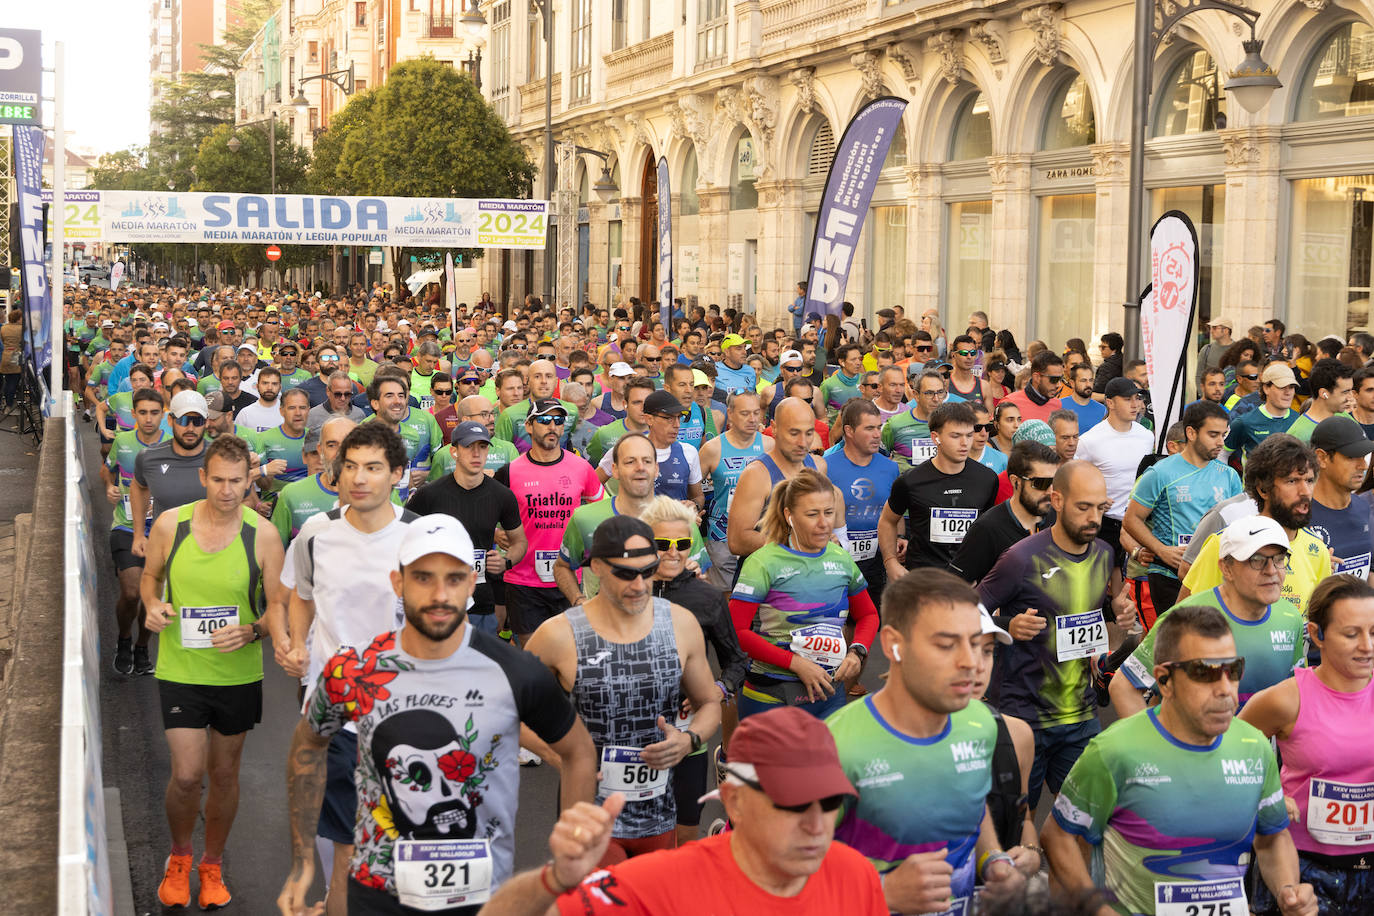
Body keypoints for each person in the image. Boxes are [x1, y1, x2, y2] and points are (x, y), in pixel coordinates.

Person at [278, 514, 598, 916]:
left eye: (453, 579)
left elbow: (579, 751)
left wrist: (569, 854)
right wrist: (303, 860)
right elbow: (308, 744)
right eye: (423, 578)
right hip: (376, 895)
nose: (439, 594)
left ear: (470, 583)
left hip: (482, 897)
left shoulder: (515, 670)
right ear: (398, 583)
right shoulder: (354, 670)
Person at [1042, 603, 1318, 916]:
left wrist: (1287, 889)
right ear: (1164, 680)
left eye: (1233, 670)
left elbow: (1272, 838)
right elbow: (1058, 836)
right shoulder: (1114, 751)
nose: (1225, 689)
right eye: (1205, 673)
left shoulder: (1254, 746)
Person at [475, 706, 887, 916]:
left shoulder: (855, 873)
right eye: (793, 804)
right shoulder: (656, 884)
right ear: (735, 801)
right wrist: (555, 879)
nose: (817, 826)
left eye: (830, 801)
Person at [829, 568, 1031, 916]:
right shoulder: (831, 747)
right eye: (946, 644)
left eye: (977, 644)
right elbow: (778, 879)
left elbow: (970, 799)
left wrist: (992, 858)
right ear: (894, 644)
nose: (970, 663)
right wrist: (882, 892)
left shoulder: (980, 723)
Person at [140, 434, 287, 909]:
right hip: (181, 666)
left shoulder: (262, 534)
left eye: (237, 481)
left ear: (250, 481)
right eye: (218, 480)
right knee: (186, 775)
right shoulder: (170, 524)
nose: (227, 490)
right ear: (203, 477)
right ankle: (180, 858)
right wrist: (151, 605)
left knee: (223, 774)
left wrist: (254, 631)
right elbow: (150, 577)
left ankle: (213, 863)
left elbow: (281, 608)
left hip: (237, 673)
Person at [525, 515, 722, 863]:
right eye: (626, 574)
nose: (639, 585)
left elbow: (709, 703)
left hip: (658, 816)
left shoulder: (680, 623)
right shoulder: (558, 634)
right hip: (589, 815)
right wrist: (563, 757)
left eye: (648, 572)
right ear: (597, 567)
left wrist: (688, 740)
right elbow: (510, 710)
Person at [978, 461, 1138, 808]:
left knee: (1086, 819)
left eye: (1101, 507)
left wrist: (1117, 613)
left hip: (1081, 716)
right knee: (1018, 821)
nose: (1094, 517)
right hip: (1025, 716)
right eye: (1084, 507)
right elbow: (968, 609)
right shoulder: (1021, 558)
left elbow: (1082, 619)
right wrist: (1009, 625)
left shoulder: (1104, 554)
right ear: (1058, 500)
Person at [1239, 574, 1374, 915]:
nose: (1367, 646)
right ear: (1317, 635)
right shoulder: (1285, 700)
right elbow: (1226, 759)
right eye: (1351, 634)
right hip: (1302, 871)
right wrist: (1264, 795)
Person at [1113, 514, 1307, 716]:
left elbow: (1293, 693)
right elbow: (1123, 686)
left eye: (1279, 559)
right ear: (1226, 568)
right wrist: (1156, 745)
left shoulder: (1290, 616)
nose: (1271, 570)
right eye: (1256, 560)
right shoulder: (1186, 619)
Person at [640, 495, 747, 846]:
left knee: (685, 832)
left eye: (682, 543)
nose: (673, 552)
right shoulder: (626, 592)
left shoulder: (708, 598)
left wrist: (715, 691)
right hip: (631, 735)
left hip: (689, 735)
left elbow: (737, 661)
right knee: (633, 834)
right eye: (662, 543)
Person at [730, 468, 879, 720]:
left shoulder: (841, 558)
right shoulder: (763, 562)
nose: (824, 523)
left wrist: (857, 651)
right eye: (812, 514)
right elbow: (736, 632)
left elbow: (868, 614)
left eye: (829, 513)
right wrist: (795, 663)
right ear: (789, 515)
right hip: (772, 693)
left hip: (828, 693)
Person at [1181, 434, 1331, 616]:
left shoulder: (1317, 550)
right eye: (1292, 481)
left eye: (1309, 480)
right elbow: (1179, 622)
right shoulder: (1225, 544)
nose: (1305, 492)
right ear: (1263, 489)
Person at [496, 399, 603, 645]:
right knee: (532, 652)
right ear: (529, 426)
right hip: (523, 578)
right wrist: (494, 533)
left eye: (558, 421)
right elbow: (485, 512)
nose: (552, 426)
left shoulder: (581, 468)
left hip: (569, 577)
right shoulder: (510, 471)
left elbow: (599, 511)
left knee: (568, 651)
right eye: (544, 420)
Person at [555, 433, 709, 602]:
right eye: (630, 461)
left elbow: (700, 576)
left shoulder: (681, 520)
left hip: (666, 623)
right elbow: (562, 567)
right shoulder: (585, 518)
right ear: (615, 470)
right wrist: (579, 601)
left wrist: (695, 576)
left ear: (656, 469)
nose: (640, 467)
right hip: (604, 625)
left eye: (647, 461)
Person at [407, 421, 528, 636]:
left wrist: (506, 561)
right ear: (454, 452)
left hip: (484, 599)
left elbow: (519, 542)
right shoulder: (429, 495)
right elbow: (403, 537)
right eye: (469, 446)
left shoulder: (502, 495)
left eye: (482, 447)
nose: (476, 453)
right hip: (439, 597)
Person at [1123, 400, 1241, 613]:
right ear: (1191, 433)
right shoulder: (1160, 473)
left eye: (1223, 435)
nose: (1221, 442)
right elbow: (1131, 519)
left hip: (1214, 573)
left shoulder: (1230, 475)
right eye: (1213, 435)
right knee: (1176, 642)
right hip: (1169, 574)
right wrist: (1161, 550)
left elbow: (1237, 524)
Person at [880, 401, 1000, 580]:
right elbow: (887, 521)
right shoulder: (910, 481)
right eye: (955, 436)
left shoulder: (987, 479)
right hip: (923, 580)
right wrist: (890, 562)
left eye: (968, 435)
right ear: (935, 437)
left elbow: (989, 531)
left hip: (968, 582)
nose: (964, 443)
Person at [103, 387, 170, 675]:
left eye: (154, 413)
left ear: (163, 414)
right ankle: (124, 638)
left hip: (162, 532)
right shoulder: (123, 441)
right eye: (142, 412)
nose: (148, 419)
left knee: (151, 598)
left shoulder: (172, 445)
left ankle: (142, 646)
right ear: (133, 414)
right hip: (126, 527)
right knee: (131, 592)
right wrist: (110, 486)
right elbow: (107, 468)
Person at [727, 398, 828, 562]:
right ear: (774, 428)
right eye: (794, 433)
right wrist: (795, 543)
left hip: (807, 577)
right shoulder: (756, 475)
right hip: (766, 580)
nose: (803, 443)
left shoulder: (818, 467)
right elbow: (737, 541)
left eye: (809, 433)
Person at [949, 441, 1060, 585]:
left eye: (1054, 481)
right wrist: (992, 608)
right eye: (1041, 483)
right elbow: (954, 586)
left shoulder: (1057, 518)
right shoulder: (986, 529)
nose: (1050, 491)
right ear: (1016, 482)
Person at [1074, 377, 1155, 570]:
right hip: (1104, 524)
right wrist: (1095, 497)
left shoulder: (1147, 436)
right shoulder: (1091, 440)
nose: (1136, 405)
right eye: (1128, 399)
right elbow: (1074, 478)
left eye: (1137, 398)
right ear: (1110, 403)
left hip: (1139, 523)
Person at [130, 390, 216, 561]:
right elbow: (139, 487)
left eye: (197, 421)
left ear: (206, 423)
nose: (190, 428)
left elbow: (246, 500)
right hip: (164, 553)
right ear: (170, 420)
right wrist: (139, 534)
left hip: (212, 554)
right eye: (183, 421)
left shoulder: (222, 456)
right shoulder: (148, 457)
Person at [698, 391, 770, 589]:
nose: (752, 419)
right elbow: (694, 489)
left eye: (756, 413)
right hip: (722, 536)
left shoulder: (770, 446)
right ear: (730, 414)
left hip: (760, 535)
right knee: (727, 600)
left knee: (758, 596)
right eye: (745, 413)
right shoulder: (712, 449)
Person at [596, 390, 704, 508]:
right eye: (669, 418)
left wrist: (695, 506)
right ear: (649, 419)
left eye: (679, 417)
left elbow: (698, 496)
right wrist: (611, 509)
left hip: (675, 525)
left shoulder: (689, 452)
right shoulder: (624, 449)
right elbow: (591, 486)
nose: (677, 424)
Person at [269, 416, 356, 544]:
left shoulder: (383, 492)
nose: (340, 453)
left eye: (349, 445)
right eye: (332, 445)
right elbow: (276, 554)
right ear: (321, 449)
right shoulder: (291, 495)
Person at [363, 370, 446, 502]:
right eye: (389, 396)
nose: (398, 401)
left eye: (401, 395)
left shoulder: (412, 435)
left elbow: (406, 471)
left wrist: (412, 492)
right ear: (375, 403)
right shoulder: (360, 436)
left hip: (405, 513)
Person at [1226, 361, 1300, 465]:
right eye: (1281, 387)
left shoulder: (1299, 420)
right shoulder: (1244, 422)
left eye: (1291, 387)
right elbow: (1222, 453)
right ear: (1266, 388)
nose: (1288, 392)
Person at [880, 369, 946, 472]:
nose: (936, 399)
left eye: (940, 392)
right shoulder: (894, 424)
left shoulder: (951, 424)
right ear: (916, 395)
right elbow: (879, 458)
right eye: (929, 393)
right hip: (907, 486)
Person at [586, 377, 654, 467]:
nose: (643, 408)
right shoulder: (604, 433)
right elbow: (591, 468)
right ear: (625, 405)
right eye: (637, 402)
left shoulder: (663, 434)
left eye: (647, 402)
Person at [1285, 358, 1354, 444]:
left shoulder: (1345, 417)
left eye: (1351, 390)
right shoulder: (1298, 436)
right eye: (1345, 392)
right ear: (1324, 393)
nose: (1351, 397)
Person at [1002, 351, 1064, 423]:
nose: (1058, 385)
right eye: (1054, 380)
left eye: (1061, 379)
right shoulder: (1010, 402)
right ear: (1037, 377)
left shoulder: (1058, 404)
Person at [1196, 316, 1235, 389]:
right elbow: (1199, 376)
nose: (1211, 331)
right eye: (1210, 328)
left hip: (1232, 397)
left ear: (1226, 330)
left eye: (1214, 328)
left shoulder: (1239, 349)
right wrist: (1204, 395)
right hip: (1210, 397)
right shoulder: (1206, 349)